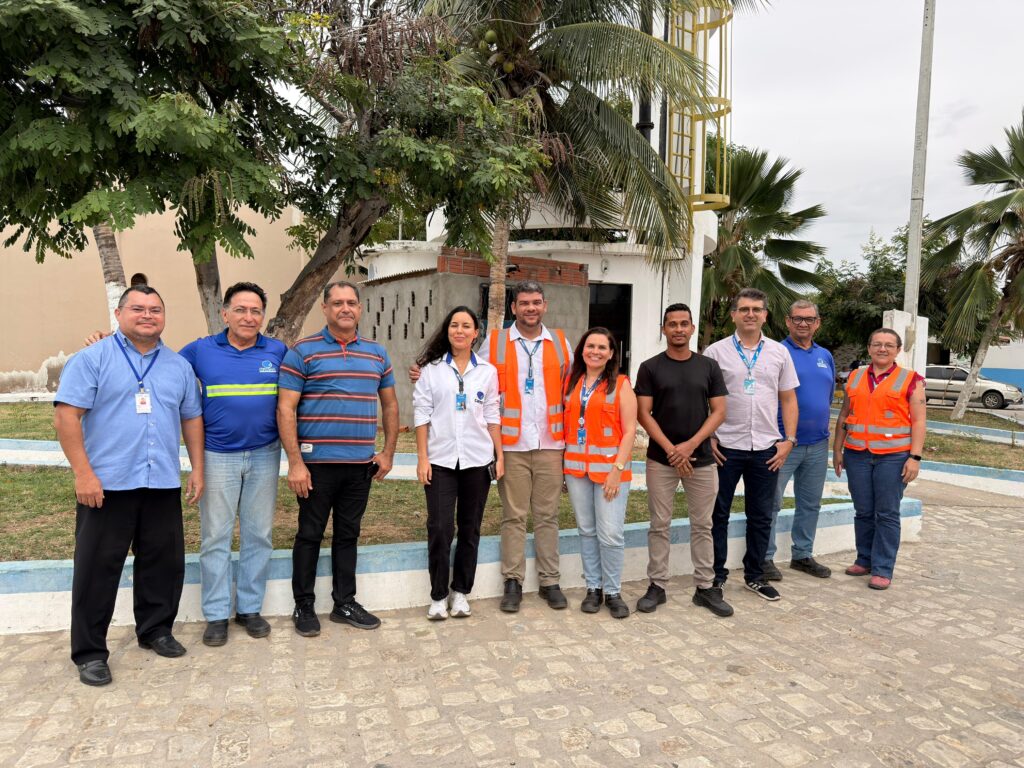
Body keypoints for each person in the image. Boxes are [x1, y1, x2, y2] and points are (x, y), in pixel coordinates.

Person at [54, 285, 204, 686]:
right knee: (96, 570)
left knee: (163, 563)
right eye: (137, 308)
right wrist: (83, 474)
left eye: (156, 309)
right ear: (119, 315)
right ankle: (89, 653)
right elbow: (67, 417)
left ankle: (155, 630)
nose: (147, 315)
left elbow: (191, 418)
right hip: (107, 484)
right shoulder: (91, 359)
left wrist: (197, 468)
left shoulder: (178, 367)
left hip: (160, 482)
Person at [277, 281, 399, 636]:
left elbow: (389, 404)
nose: (345, 309)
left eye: (351, 303)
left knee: (348, 535)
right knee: (310, 534)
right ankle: (304, 606)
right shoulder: (303, 351)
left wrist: (388, 452)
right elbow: (286, 408)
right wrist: (296, 463)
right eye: (337, 303)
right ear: (325, 308)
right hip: (316, 466)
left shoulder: (377, 353)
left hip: (360, 465)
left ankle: (344, 602)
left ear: (360, 309)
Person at [178, 283, 288, 646]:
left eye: (256, 311)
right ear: (224, 313)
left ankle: (250, 609)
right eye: (240, 309)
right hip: (217, 455)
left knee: (258, 534)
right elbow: (158, 364)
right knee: (215, 537)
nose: (249, 317)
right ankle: (216, 614)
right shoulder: (201, 350)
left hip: (264, 453)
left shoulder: (277, 351)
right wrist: (105, 342)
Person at [634, 304, 731, 617]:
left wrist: (689, 446)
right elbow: (642, 413)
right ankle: (657, 586)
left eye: (683, 324)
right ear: (664, 329)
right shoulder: (650, 368)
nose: (678, 329)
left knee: (703, 524)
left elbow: (719, 411)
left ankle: (705, 587)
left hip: (701, 459)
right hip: (660, 460)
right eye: (672, 324)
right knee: (658, 524)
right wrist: (672, 450)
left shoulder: (708, 366)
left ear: (691, 329)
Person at [704, 288, 798, 604]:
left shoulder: (779, 353)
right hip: (725, 447)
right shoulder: (715, 352)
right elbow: (705, 399)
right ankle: (715, 577)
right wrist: (710, 437)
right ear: (733, 315)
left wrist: (789, 441)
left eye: (757, 309)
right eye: (744, 309)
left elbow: (788, 399)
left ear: (765, 315)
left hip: (767, 449)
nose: (750, 314)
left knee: (761, 515)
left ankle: (755, 576)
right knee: (718, 515)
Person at [485, 281, 573, 612]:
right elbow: (470, 370)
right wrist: (426, 367)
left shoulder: (561, 343)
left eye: (536, 302)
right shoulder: (495, 343)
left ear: (545, 305)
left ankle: (550, 580)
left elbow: (580, 381)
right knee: (514, 516)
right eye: (524, 303)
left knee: (548, 515)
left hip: (551, 444)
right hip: (512, 445)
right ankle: (513, 582)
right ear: (513, 308)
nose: (531, 308)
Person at [413, 307, 504, 620]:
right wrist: (422, 458)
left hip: (478, 461)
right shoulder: (431, 370)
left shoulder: (488, 372)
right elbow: (421, 415)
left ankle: (461, 592)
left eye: (467, 326)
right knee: (439, 527)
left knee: (470, 529)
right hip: (439, 460)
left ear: (476, 333)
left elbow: (492, 415)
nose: (460, 331)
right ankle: (438, 596)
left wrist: (499, 455)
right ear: (448, 330)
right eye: (454, 325)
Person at [834, 328, 926, 590]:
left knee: (886, 513)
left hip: (894, 457)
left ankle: (883, 568)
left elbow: (919, 421)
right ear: (869, 348)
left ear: (898, 350)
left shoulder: (911, 380)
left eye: (888, 345)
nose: (882, 349)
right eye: (877, 344)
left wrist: (915, 458)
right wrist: (837, 450)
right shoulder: (855, 376)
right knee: (863, 511)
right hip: (857, 455)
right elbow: (843, 416)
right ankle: (864, 559)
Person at [562, 328, 637, 618]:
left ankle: (614, 591)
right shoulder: (571, 382)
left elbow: (630, 430)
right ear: (582, 350)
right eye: (590, 346)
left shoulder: (621, 384)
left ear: (610, 353)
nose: (595, 351)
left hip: (610, 473)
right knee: (587, 531)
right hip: (576, 470)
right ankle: (593, 588)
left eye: (602, 347)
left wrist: (617, 471)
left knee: (610, 534)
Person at [763, 300, 835, 581]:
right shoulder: (776, 352)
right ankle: (765, 557)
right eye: (797, 319)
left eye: (809, 319)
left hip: (817, 444)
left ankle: (802, 555)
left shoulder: (825, 355)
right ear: (787, 321)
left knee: (810, 503)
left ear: (818, 323)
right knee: (771, 503)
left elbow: (826, 397)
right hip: (782, 444)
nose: (803, 323)